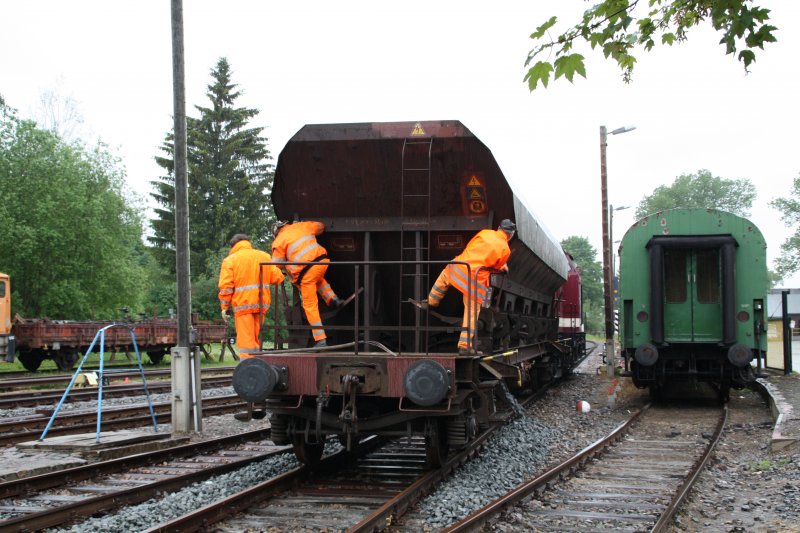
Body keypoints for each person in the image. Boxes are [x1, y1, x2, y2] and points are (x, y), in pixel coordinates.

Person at [424, 219, 515, 355]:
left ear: (498, 228)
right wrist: (504, 267)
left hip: (459, 268)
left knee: (445, 274)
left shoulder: (484, 233)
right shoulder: (505, 249)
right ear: (510, 234)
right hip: (475, 281)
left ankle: (430, 302)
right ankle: (464, 346)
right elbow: (496, 267)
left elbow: (470, 246)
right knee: (471, 313)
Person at [271, 220, 343, 347]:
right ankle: (333, 299)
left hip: (306, 271)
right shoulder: (302, 225)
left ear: (276, 232)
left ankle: (321, 340)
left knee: (310, 306)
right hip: (322, 262)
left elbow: (275, 264)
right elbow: (321, 227)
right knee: (318, 280)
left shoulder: (279, 240)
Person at [218, 234, 285, 358]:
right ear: (248, 243)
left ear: (233, 246)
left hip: (243, 306)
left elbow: (226, 287)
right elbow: (277, 277)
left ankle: (248, 369)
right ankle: (256, 365)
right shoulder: (264, 256)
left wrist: (225, 306)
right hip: (261, 305)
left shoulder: (230, 260)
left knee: (246, 342)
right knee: (255, 339)